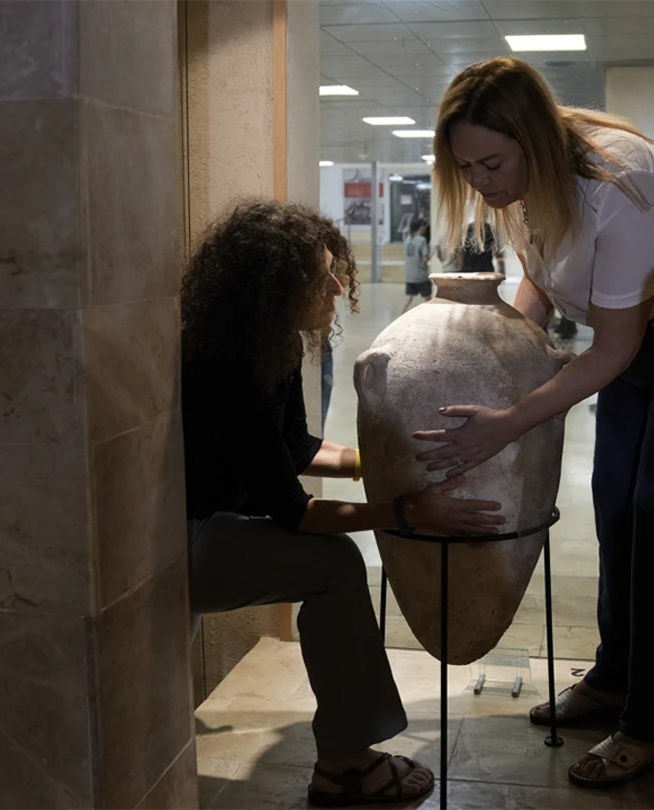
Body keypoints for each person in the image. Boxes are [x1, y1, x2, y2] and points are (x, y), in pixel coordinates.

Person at [419, 56, 654, 787]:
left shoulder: (621, 182)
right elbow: (538, 292)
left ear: (534, 142)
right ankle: (616, 678)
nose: (481, 181)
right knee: (614, 499)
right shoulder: (515, 182)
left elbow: (613, 346)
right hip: (636, 334)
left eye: (491, 162)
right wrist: (498, 365)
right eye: (466, 167)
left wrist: (509, 421)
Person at [180, 200, 507, 806]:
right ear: (273, 286)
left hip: (211, 523)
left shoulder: (264, 346)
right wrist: (408, 510)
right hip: (180, 545)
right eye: (321, 275)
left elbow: (297, 448)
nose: (337, 285)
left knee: (332, 560)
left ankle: (348, 749)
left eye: (335, 269)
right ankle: (345, 765)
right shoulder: (229, 368)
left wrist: (383, 463)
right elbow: (297, 513)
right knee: (334, 564)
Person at [400, 218, 431, 314]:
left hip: (410, 275)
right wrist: (433, 252)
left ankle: (400, 316)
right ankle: (429, 316)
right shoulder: (422, 240)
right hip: (420, 275)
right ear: (421, 227)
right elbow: (426, 258)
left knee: (408, 299)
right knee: (428, 299)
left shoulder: (407, 240)